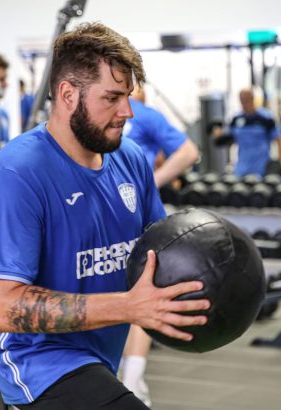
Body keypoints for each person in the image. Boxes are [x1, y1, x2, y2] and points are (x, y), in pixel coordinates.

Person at [0, 23, 210, 410]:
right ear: (68, 94)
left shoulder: (130, 159)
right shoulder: (16, 174)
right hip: (36, 359)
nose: (127, 111)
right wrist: (128, 307)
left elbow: (158, 250)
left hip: (98, 352)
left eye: (128, 96)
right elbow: (0, 308)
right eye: (113, 98)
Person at [119, 83, 199, 405]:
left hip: (136, 216)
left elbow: (189, 152)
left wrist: (150, 183)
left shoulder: (145, 116)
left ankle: (133, 381)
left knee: (137, 296)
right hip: (103, 217)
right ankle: (128, 380)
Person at [227, 88, 281, 177]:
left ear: (252, 99)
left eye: (247, 100)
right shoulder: (236, 119)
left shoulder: (266, 118)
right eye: (242, 100)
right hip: (241, 169)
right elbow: (229, 140)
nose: (244, 104)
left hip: (262, 169)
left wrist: (279, 161)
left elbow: (279, 139)